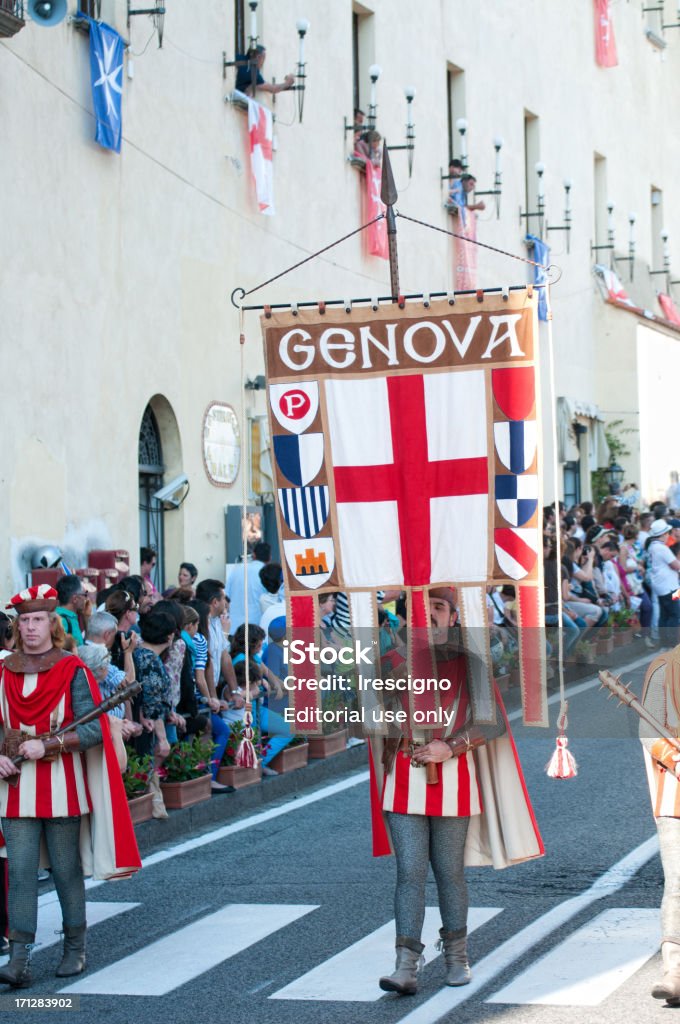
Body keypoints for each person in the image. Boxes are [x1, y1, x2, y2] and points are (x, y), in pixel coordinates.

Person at [374, 588, 543, 995]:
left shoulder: (471, 663)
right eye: (422, 607)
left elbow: (492, 723)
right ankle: (405, 965)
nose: (429, 614)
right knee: (409, 871)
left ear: (453, 617)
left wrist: (447, 746)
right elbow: (370, 715)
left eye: (438, 607)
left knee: (448, 872)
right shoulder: (390, 660)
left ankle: (456, 956)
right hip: (404, 776)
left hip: (453, 776)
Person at [0, 585, 140, 987]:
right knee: (21, 873)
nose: (29, 628)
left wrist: (47, 744)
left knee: (65, 871)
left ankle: (75, 948)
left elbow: (93, 730)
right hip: (15, 787)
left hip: (62, 786)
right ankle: (19, 960)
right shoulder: (3, 670)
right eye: (23, 620)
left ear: (52, 624)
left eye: (37, 620)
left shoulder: (72, 669)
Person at [639, 644, 680, 1004]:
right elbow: (650, 729)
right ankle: (675, 971)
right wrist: (675, 759)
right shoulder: (665, 666)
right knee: (679, 881)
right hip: (676, 794)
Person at [226, 542, 271, 632]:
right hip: (257, 627)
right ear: (270, 558)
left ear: (253, 555)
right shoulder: (267, 573)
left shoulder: (236, 570)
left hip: (234, 627)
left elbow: (226, 596)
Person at [647, 520, 680, 634]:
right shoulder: (662, 548)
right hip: (670, 587)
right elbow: (676, 565)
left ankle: (664, 642)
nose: (668, 535)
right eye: (667, 533)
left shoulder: (653, 546)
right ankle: (671, 643)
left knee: (664, 614)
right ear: (663, 534)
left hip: (662, 586)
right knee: (675, 614)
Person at [55, 575, 87, 646]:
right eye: (84, 594)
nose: (86, 599)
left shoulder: (69, 616)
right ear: (75, 599)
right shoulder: (62, 620)